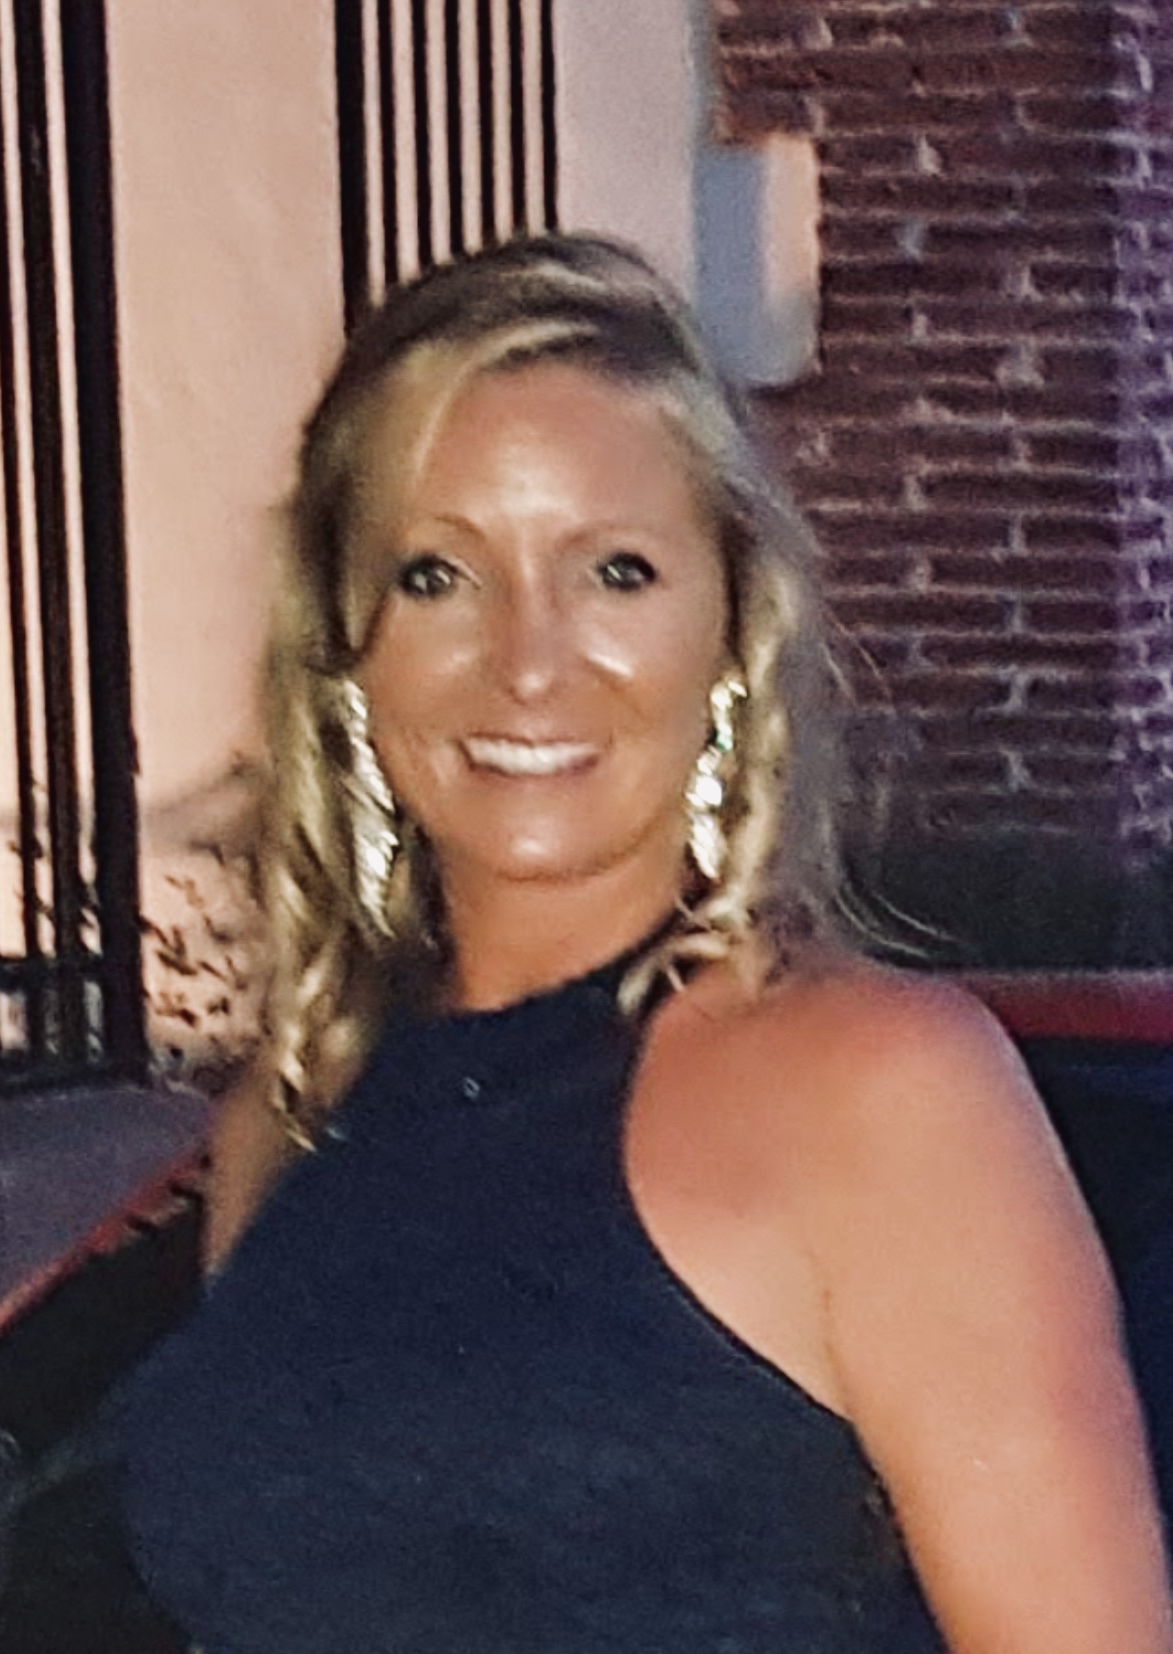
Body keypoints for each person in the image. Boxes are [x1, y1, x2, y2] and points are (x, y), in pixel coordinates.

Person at [115, 234, 1171, 1654]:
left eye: (616, 571)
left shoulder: (877, 1091)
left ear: (732, 632)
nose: (527, 662)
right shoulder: (296, 1116)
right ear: (345, 651)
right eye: (437, 575)